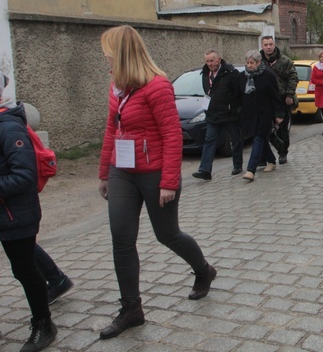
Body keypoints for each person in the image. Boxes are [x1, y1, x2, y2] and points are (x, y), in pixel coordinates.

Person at [98, 26, 217, 340]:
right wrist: (103, 173)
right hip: (122, 170)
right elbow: (111, 130)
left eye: (108, 53)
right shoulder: (116, 87)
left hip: (154, 173)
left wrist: (168, 181)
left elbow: (172, 135)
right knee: (121, 237)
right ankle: (131, 308)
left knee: (167, 234)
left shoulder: (157, 85)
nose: (105, 59)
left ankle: (204, 270)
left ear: (123, 54)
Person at [0, 73, 59, 351]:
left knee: (25, 270)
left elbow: (24, 175)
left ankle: (44, 324)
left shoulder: (9, 128)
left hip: (16, 215)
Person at [192, 49, 243, 180]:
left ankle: (237, 165)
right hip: (212, 115)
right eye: (207, 61)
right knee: (209, 141)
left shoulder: (231, 73)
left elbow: (239, 92)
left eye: (212, 61)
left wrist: (236, 108)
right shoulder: (205, 73)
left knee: (235, 139)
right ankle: (205, 170)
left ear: (218, 60)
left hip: (229, 114)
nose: (209, 64)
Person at [236, 50, 285, 181]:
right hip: (249, 115)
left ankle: (250, 170)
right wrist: (239, 111)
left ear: (258, 62)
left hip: (265, 114)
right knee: (260, 139)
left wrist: (279, 114)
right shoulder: (242, 77)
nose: (249, 65)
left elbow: (275, 96)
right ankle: (271, 160)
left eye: (252, 63)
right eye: (247, 63)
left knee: (258, 138)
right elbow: (238, 96)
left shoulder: (268, 76)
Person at [259, 36, 299, 164]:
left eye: (270, 44)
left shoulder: (284, 61)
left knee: (282, 128)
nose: (268, 47)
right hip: (265, 99)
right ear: (262, 46)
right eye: (266, 45)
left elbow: (293, 78)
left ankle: (283, 152)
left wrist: (289, 95)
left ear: (274, 44)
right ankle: (264, 155)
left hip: (281, 98)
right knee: (264, 128)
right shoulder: (258, 61)